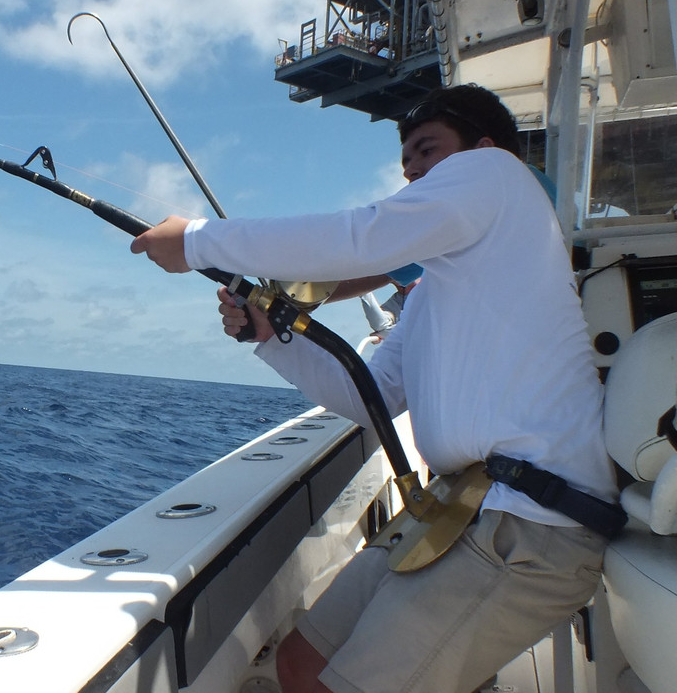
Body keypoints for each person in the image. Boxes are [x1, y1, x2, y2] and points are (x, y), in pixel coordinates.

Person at [130, 85, 620, 693]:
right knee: (301, 662)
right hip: (458, 508)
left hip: (533, 528)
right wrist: (271, 336)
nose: (412, 171)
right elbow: (374, 396)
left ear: (484, 147)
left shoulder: (496, 172)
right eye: (406, 163)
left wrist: (197, 241)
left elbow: (360, 237)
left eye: (427, 150)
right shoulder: (433, 291)